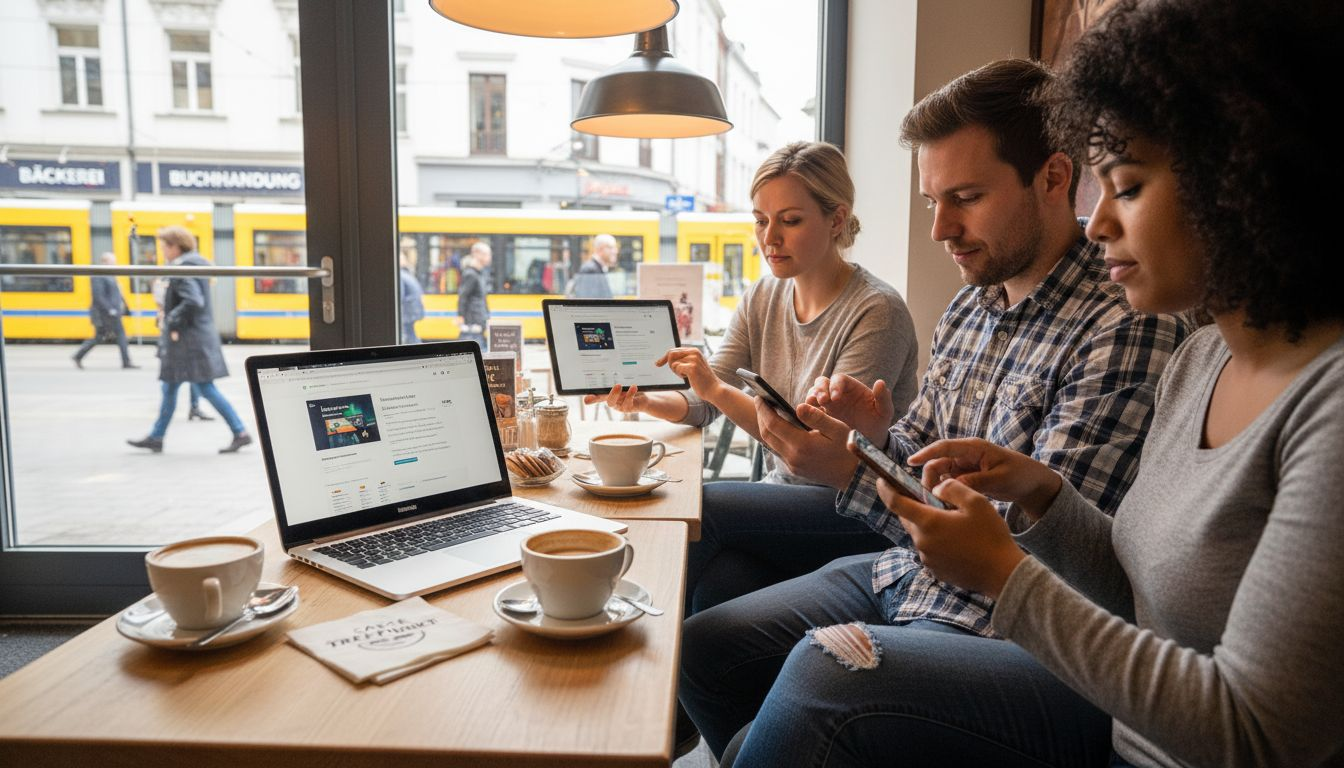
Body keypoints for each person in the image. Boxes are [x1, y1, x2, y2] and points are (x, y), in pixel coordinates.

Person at [723, 2, 1344, 766]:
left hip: (1047, 665)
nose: (1098, 222)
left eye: (1128, 185)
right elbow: (1132, 585)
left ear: (1238, 175)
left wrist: (1003, 567)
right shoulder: (1202, 361)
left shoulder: (1313, 401)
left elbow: (1262, 734)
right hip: (969, 607)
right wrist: (1043, 497)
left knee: (815, 684)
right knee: (721, 649)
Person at [678, 59, 1191, 761]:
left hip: (994, 621)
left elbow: (1031, 554)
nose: (940, 229)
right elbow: (923, 445)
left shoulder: (1123, 325)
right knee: (706, 648)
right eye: (931, 202)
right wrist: (871, 433)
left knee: (783, 711)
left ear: (1053, 177)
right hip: (906, 572)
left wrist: (850, 471)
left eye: (967, 197)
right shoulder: (971, 304)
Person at [586, 141, 919, 489]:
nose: (769, 238)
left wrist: (715, 389)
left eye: (790, 221)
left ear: (836, 220)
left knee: (698, 510)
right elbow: (704, 402)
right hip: (783, 488)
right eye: (761, 221)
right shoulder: (762, 296)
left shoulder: (878, 311)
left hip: (851, 505)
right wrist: (645, 400)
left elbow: (812, 452)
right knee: (682, 502)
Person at [127, 227, 252, 454]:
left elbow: (193, 301)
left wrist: (171, 319)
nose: (163, 250)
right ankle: (157, 436)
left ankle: (240, 431)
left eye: (165, 245)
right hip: (192, 339)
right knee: (170, 386)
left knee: (204, 387)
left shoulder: (183, 268)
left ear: (176, 246)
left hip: (188, 341)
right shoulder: (194, 265)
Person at [72, 252, 138, 370]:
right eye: (112, 262)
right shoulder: (98, 275)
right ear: (105, 262)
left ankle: (78, 356)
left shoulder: (110, 275)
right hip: (104, 313)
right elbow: (98, 296)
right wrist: (110, 309)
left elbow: (117, 294)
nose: (115, 264)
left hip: (112, 312)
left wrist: (126, 308)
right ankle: (126, 362)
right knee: (119, 336)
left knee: (100, 337)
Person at [457, 241, 491, 347]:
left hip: (478, 320)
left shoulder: (479, 273)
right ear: (476, 254)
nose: (489, 257)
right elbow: (463, 297)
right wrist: (461, 316)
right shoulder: (471, 274)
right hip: (473, 322)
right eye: (486, 254)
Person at [567, 233, 616, 298]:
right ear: (601, 248)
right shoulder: (590, 270)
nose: (615, 251)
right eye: (611, 247)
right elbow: (588, 303)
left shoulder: (596, 268)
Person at [399, 250, 425, 344]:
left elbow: (399, 296)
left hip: (407, 312)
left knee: (406, 335)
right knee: (411, 334)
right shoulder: (407, 274)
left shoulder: (400, 275)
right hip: (414, 311)